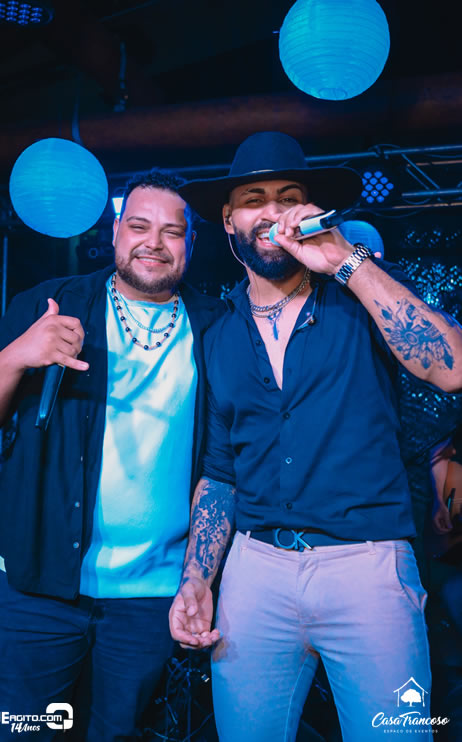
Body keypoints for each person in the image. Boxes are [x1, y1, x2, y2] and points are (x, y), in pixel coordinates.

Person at [169, 132, 462, 742]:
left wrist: (346, 260)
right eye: (254, 199)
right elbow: (221, 473)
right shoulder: (219, 334)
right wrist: (197, 576)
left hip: (368, 567)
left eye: (288, 196)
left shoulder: (361, 293)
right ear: (228, 219)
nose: (272, 212)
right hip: (254, 571)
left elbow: (450, 367)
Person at [0, 170, 223, 741]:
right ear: (115, 233)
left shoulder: (216, 327)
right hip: (33, 586)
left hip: (149, 597)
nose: (154, 242)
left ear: (190, 243)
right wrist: (18, 354)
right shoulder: (52, 304)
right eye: (139, 226)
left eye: (172, 231)